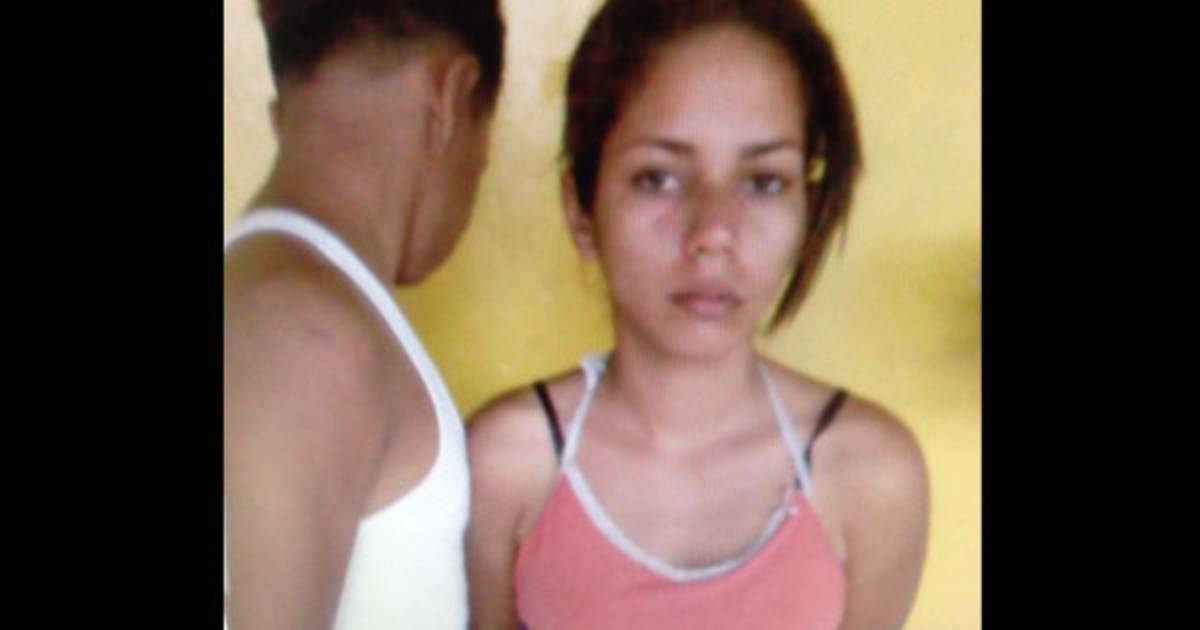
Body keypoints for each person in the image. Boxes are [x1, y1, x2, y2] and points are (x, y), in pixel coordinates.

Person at [466, 1, 928, 628]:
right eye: (658, 178)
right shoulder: (508, 464)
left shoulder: (871, 474)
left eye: (764, 181)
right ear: (581, 209)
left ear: (809, 206)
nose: (714, 233)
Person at [223, 1, 504, 628]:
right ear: (451, 95)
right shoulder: (305, 331)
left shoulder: (281, 298)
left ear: (282, 112)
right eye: (482, 158)